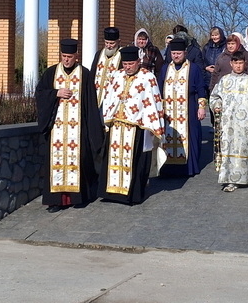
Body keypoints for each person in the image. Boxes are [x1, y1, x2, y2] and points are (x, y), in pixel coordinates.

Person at [35, 38, 105, 213]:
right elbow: (40, 94)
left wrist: (93, 131)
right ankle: (55, 201)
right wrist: (55, 93)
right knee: (56, 163)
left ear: (76, 56)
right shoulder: (51, 73)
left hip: (78, 130)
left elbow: (91, 103)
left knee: (80, 162)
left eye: (70, 56)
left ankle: (78, 198)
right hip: (56, 131)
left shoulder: (85, 74)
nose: (66, 60)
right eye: (64, 56)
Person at [99, 45, 165, 205]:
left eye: (130, 64)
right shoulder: (116, 75)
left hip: (137, 127)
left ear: (138, 62)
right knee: (113, 158)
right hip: (116, 124)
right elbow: (108, 97)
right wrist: (108, 116)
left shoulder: (148, 77)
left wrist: (152, 125)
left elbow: (154, 101)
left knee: (135, 161)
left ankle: (131, 195)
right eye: (125, 64)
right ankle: (112, 193)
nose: (127, 67)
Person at [210, 51, 248, 191]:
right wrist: (217, 105)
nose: (238, 66)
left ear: (245, 64)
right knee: (227, 150)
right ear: (231, 63)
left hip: (244, 124)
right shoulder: (224, 80)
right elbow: (215, 96)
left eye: (241, 63)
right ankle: (230, 180)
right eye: (236, 63)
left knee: (244, 149)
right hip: (227, 123)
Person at [158, 37, 207, 177]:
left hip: (189, 108)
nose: (176, 56)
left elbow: (201, 88)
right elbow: (159, 89)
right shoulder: (165, 68)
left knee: (191, 136)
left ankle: (188, 169)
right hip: (168, 112)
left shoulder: (194, 68)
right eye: (173, 53)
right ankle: (167, 169)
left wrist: (201, 107)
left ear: (185, 53)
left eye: (179, 53)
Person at [90, 27, 121, 106]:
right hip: (96, 96)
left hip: (113, 98)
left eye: (112, 43)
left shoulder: (121, 55)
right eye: (106, 43)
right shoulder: (99, 54)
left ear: (118, 42)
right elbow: (92, 74)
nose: (108, 46)